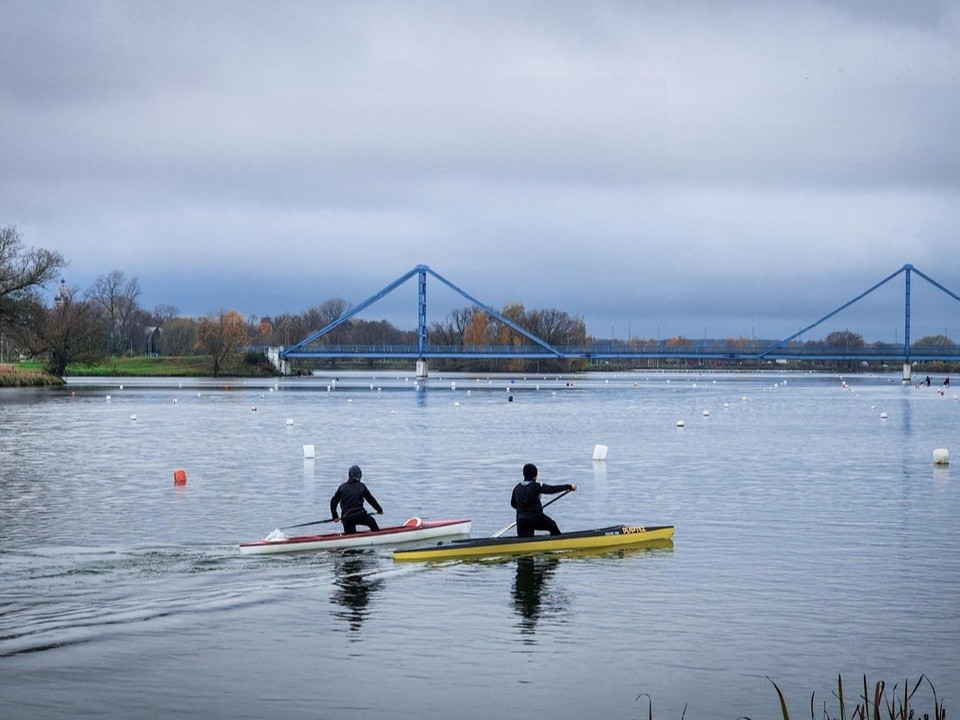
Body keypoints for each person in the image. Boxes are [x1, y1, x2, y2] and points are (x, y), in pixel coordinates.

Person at [510, 463, 577, 538]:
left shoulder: (517, 488)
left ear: (524, 475)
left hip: (521, 520)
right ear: (535, 476)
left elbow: (513, 504)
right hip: (535, 518)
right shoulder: (536, 486)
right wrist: (569, 486)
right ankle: (558, 544)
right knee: (552, 525)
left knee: (525, 540)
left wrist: (524, 510)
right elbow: (552, 490)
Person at [330, 465, 383, 534]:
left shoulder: (342, 488)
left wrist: (335, 516)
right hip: (360, 515)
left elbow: (333, 502)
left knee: (350, 535)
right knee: (372, 522)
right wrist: (379, 510)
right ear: (360, 476)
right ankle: (377, 537)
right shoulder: (361, 486)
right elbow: (371, 499)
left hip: (346, 517)